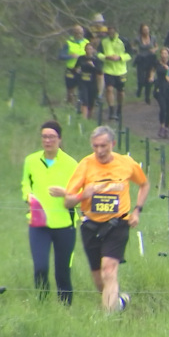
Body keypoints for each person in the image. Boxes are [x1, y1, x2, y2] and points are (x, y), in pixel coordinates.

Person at [64, 126, 150, 312]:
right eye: (95, 146)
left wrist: (136, 211)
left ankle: (108, 320)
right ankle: (117, 303)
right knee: (98, 277)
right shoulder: (85, 165)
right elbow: (67, 202)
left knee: (109, 271)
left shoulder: (126, 163)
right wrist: (82, 196)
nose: (100, 151)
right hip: (90, 225)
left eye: (103, 146)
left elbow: (144, 184)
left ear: (113, 144)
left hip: (117, 223)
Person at [21, 121, 79, 304]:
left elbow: (79, 192)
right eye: (44, 136)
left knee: (62, 270)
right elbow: (25, 183)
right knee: (40, 267)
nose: (48, 141)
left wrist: (65, 193)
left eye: (52, 137)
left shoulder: (71, 163)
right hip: (39, 224)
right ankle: (42, 302)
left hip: (64, 223)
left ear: (59, 139)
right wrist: (27, 195)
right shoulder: (31, 161)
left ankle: (66, 306)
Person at [97, 24, 132, 121]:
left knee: (120, 92)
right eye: (109, 31)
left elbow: (130, 54)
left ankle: (119, 108)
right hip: (108, 69)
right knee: (109, 89)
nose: (111, 33)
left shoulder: (123, 40)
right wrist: (105, 57)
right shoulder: (104, 41)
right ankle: (111, 110)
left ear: (116, 31)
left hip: (121, 70)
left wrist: (120, 58)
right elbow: (98, 53)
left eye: (112, 31)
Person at [57, 24, 89, 106]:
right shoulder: (68, 43)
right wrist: (71, 56)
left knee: (84, 89)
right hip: (71, 69)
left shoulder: (87, 43)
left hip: (83, 69)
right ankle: (70, 107)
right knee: (70, 90)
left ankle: (83, 107)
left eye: (81, 33)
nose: (79, 35)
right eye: (77, 33)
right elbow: (61, 56)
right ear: (73, 33)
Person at [74, 43, 103, 120]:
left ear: (93, 50)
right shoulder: (81, 58)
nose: (88, 50)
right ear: (85, 50)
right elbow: (75, 68)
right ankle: (84, 119)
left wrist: (93, 66)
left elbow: (100, 72)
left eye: (90, 49)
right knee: (84, 101)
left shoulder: (96, 60)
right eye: (87, 49)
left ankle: (89, 118)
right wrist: (77, 70)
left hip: (92, 83)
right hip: (83, 82)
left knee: (91, 102)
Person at [133, 24, 158, 104]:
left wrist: (154, 50)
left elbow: (156, 46)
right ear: (141, 31)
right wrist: (135, 50)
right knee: (140, 78)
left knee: (148, 78)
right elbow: (133, 45)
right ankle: (139, 89)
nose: (146, 31)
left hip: (150, 59)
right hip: (141, 59)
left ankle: (147, 96)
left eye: (147, 29)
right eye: (144, 29)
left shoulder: (153, 38)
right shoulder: (138, 38)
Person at [153, 47, 169, 138]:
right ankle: (161, 126)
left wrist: (167, 68)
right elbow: (153, 71)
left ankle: (166, 128)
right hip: (160, 87)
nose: (164, 55)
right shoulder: (157, 63)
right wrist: (151, 77)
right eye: (162, 53)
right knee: (163, 108)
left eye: (165, 53)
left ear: (168, 55)